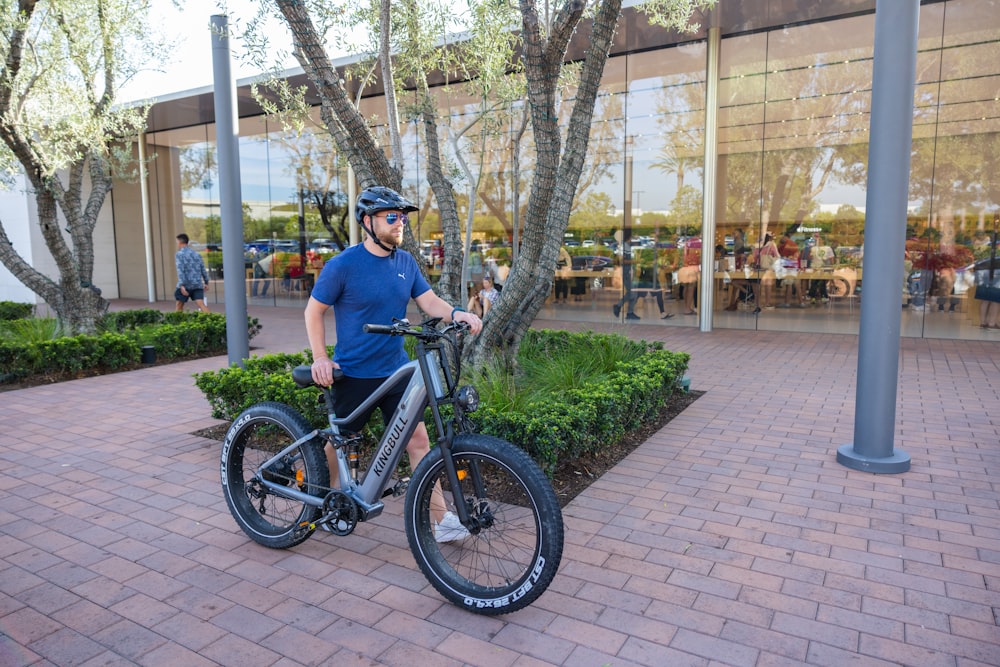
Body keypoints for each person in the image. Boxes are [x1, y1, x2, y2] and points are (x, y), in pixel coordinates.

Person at [304, 186, 483, 542]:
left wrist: (457, 312)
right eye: (392, 216)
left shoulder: (405, 262)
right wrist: (321, 358)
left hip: (396, 371)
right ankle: (318, 497)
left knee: (418, 439)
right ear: (368, 222)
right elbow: (314, 311)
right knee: (342, 440)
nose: (400, 222)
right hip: (354, 371)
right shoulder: (343, 265)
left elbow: (429, 301)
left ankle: (442, 521)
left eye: (402, 217)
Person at [174, 233, 210, 312]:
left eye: (177, 242)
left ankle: (177, 322)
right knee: (201, 303)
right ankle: (212, 319)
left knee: (179, 304)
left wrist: (181, 285)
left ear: (179, 242)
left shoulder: (179, 254)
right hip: (197, 284)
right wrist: (206, 282)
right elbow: (202, 269)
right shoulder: (197, 254)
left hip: (186, 284)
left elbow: (180, 270)